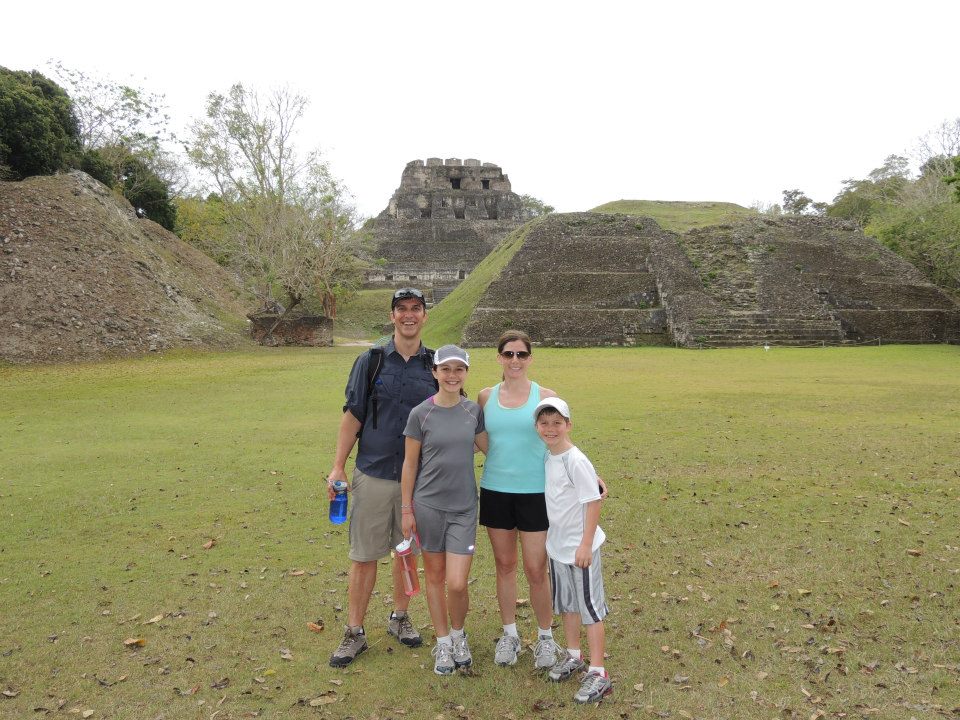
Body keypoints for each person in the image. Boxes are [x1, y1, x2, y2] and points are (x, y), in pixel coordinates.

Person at [325, 288, 437, 668]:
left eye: (415, 309)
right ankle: (354, 630)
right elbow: (353, 414)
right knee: (363, 555)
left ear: (425, 315)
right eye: (401, 309)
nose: (408, 315)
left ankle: (400, 617)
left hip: (418, 480)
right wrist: (338, 466)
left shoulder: (436, 365)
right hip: (373, 471)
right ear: (392, 316)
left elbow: (450, 416)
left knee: (406, 553)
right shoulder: (370, 361)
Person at [476, 330, 563, 670]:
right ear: (499, 357)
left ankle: (545, 637)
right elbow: (479, 437)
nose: (514, 360)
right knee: (505, 565)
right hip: (496, 490)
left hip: (536, 493)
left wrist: (588, 475)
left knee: (536, 568)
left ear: (530, 358)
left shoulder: (545, 396)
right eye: (508, 354)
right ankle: (510, 634)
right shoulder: (486, 397)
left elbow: (559, 440)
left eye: (521, 355)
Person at [401, 345, 488, 675]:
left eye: (459, 369)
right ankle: (442, 642)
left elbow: (493, 451)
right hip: (428, 506)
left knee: (457, 583)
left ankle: (458, 633)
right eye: (446, 369)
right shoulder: (420, 414)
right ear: (435, 372)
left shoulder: (472, 412)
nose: (452, 375)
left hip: (464, 508)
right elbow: (410, 465)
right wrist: (406, 510)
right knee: (435, 578)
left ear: (465, 373)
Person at [535, 397, 612, 704]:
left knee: (590, 609)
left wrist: (585, 543)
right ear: (537, 427)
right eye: (544, 423)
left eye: (557, 423)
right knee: (567, 605)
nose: (550, 429)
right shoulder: (548, 456)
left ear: (568, 425)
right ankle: (573, 655)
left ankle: (598, 671)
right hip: (558, 547)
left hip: (581, 550)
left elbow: (592, 501)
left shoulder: (575, 459)